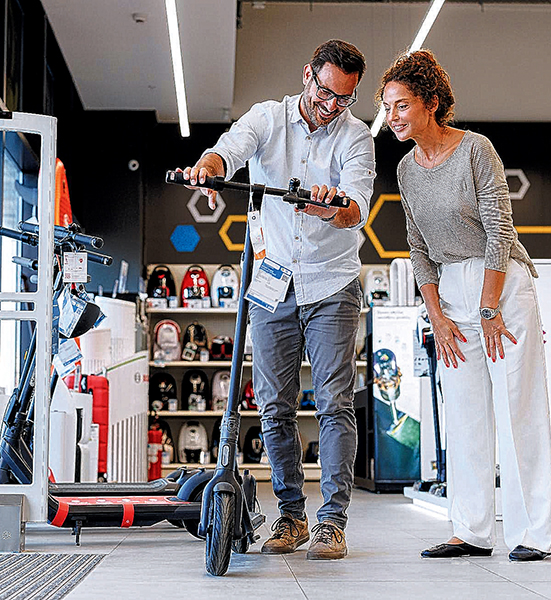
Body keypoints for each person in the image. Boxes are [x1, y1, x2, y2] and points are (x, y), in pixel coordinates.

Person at [176, 39, 375, 561]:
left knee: (334, 401)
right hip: (271, 282)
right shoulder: (268, 118)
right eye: (327, 92)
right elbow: (231, 147)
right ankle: (291, 517)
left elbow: (358, 208)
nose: (333, 106)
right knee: (272, 406)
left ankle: (332, 521)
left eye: (345, 98)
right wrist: (212, 164)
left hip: (333, 282)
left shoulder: (357, 138)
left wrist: (335, 208)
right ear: (307, 74)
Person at [378, 50, 551, 561]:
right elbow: (416, 244)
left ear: (431, 103)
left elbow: (501, 230)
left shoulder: (476, 149)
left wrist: (488, 305)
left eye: (401, 105)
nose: (392, 117)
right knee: (464, 413)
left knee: (518, 407)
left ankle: (533, 535)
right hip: (449, 295)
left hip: (500, 285)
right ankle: (472, 529)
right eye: (387, 107)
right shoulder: (407, 168)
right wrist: (434, 313)